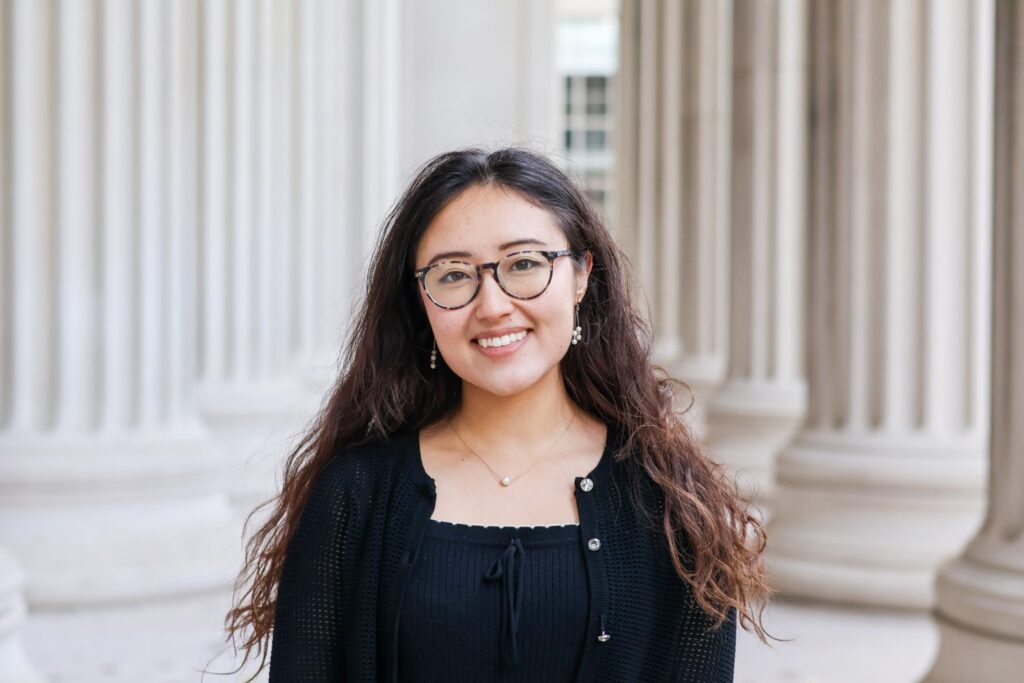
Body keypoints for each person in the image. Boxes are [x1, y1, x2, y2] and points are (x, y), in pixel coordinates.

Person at [222, 147, 774, 682]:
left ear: (582, 275)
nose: (492, 305)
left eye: (525, 264)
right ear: (420, 300)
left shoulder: (671, 502)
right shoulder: (354, 495)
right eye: (454, 275)